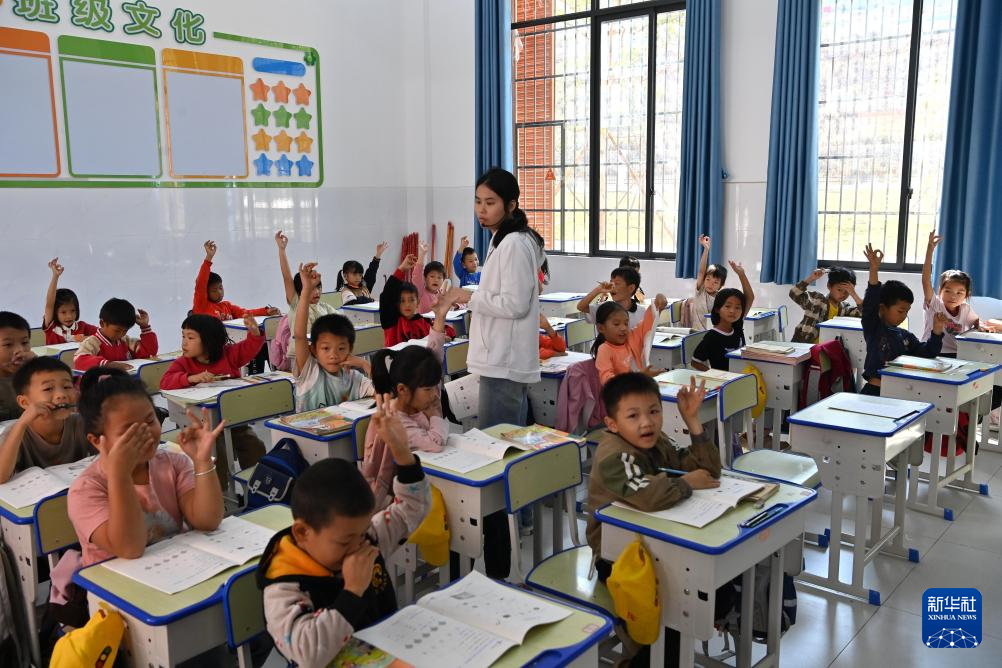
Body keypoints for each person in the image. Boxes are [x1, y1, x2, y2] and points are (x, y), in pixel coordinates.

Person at [257, 394, 430, 668]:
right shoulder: (285, 584)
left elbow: (412, 508)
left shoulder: (362, 538)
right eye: (345, 541)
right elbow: (307, 655)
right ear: (303, 533)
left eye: (362, 533)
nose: (359, 546)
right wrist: (352, 591)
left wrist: (403, 454)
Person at [587, 373, 721, 664]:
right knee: (673, 615)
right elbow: (649, 496)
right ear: (612, 423)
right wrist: (686, 483)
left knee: (697, 597)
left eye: (653, 412)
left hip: (657, 545)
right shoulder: (614, 456)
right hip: (618, 559)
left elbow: (708, 471)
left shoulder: (656, 440)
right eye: (633, 416)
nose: (646, 422)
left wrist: (692, 421)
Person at [68, 368, 224, 567]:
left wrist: (202, 461)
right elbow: (129, 549)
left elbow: (208, 520)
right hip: (116, 582)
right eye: (130, 430)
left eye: (150, 420)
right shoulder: (85, 490)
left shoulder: (173, 464)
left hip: (176, 568)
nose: (146, 433)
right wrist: (120, 474)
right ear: (96, 441)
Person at [362, 294, 456, 508]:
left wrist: (440, 318)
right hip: (389, 501)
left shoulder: (418, 394)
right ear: (403, 390)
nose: (434, 394)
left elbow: (434, 354)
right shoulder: (395, 420)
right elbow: (434, 444)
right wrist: (435, 415)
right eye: (429, 389)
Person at [159, 313, 268, 488]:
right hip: (204, 426)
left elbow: (249, 348)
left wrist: (255, 333)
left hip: (232, 419)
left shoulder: (228, 354)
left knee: (253, 445)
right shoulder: (183, 363)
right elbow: (165, 382)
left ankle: (258, 486)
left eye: (190, 337)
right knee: (216, 452)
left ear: (209, 341)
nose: (184, 342)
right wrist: (191, 378)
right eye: (183, 336)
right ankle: (219, 492)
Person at [860, 243, 945, 396]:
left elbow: (928, 352)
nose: (904, 315)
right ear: (882, 308)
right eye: (900, 311)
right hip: (875, 391)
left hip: (900, 393)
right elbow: (870, 302)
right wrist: (873, 270)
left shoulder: (905, 336)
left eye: (907, 311)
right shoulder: (874, 328)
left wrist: (937, 331)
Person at [293, 263, 375, 411]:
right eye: (326, 348)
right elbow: (300, 336)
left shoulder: (354, 378)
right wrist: (306, 290)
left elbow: (384, 392)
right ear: (314, 350)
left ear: (350, 349)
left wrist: (365, 365)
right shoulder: (310, 371)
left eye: (341, 348)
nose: (333, 355)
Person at [0, 357, 90, 483]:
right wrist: (21, 424)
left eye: (67, 386)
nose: (61, 395)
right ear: (24, 402)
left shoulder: (82, 422)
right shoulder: (14, 433)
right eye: (48, 389)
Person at [921, 231, 979, 356]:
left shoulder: (966, 309)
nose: (953, 296)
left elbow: (976, 322)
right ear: (940, 291)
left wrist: (980, 325)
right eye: (947, 291)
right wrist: (930, 250)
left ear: (966, 295)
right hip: (932, 352)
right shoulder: (935, 304)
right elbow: (926, 281)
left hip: (956, 354)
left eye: (959, 293)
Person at [379, 254, 457, 347]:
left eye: (411, 300)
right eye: (402, 301)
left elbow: (449, 331)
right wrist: (402, 269)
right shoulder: (391, 320)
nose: (407, 304)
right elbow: (386, 295)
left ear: (418, 303)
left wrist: (442, 336)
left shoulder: (424, 321)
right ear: (397, 303)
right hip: (396, 356)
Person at [193, 240, 281, 321]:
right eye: (214, 290)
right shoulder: (202, 305)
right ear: (205, 292)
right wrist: (208, 258)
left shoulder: (227, 306)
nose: (219, 292)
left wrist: (266, 311)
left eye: (220, 288)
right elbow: (201, 282)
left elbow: (245, 313)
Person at [690, 261, 755, 371]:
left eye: (737, 308)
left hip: (740, 377)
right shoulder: (712, 336)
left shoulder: (737, 327)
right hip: (724, 380)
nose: (732, 311)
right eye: (727, 306)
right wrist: (715, 375)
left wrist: (741, 274)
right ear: (717, 309)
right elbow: (695, 362)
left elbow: (750, 298)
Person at [592, 295, 668, 386]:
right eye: (616, 324)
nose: (623, 328)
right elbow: (608, 381)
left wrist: (657, 304)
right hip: (621, 394)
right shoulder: (604, 350)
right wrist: (637, 377)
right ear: (601, 328)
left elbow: (647, 324)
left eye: (626, 323)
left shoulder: (631, 338)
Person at [72, 298, 158, 372]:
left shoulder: (126, 341)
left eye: (125, 331)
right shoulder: (92, 342)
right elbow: (79, 361)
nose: (121, 334)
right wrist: (108, 364)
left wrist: (145, 327)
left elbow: (149, 352)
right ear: (102, 323)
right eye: (117, 331)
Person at [789, 266, 862, 343]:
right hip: (805, 344)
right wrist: (811, 278)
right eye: (839, 290)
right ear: (829, 286)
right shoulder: (817, 300)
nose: (843, 294)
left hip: (826, 347)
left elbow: (866, 313)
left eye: (847, 292)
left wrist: (854, 294)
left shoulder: (845, 307)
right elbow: (794, 294)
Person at [42, 258, 97, 345]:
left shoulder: (83, 326)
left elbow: (102, 335)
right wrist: (55, 276)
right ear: (55, 312)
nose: (69, 316)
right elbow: (49, 304)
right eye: (63, 312)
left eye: (73, 311)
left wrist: (84, 338)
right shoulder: (51, 326)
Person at [576, 267, 647, 329]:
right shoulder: (605, 309)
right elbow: (581, 307)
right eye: (611, 283)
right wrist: (598, 290)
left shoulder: (642, 312)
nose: (611, 286)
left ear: (631, 288)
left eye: (617, 283)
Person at [0, 311, 35, 422]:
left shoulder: (32, 374)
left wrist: (37, 366)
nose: (19, 350)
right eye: (8, 344)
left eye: (24, 343)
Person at [689, 235, 728, 331]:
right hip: (696, 332)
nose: (710, 284)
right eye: (708, 279)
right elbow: (701, 271)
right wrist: (706, 249)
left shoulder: (720, 298)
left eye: (715, 282)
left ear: (721, 285)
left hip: (712, 333)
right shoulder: (700, 290)